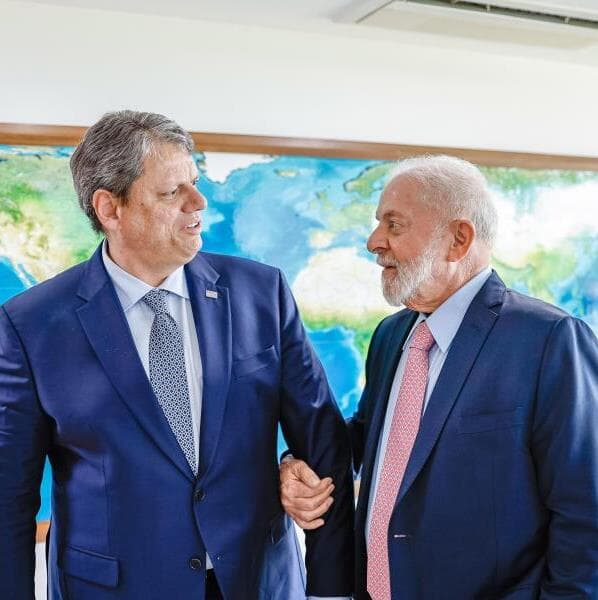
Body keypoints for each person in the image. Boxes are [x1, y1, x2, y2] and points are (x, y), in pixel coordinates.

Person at [0, 110, 354, 599]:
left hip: (256, 581)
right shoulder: (32, 323)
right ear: (110, 208)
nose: (198, 202)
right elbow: (9, 495)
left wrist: (330, 588)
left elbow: (321, 438)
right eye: (172, 192)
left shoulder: (261, 292)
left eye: (195, 183)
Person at [280, 155, 598, 599]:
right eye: (378, 224)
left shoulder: (550, 339)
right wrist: (295, 466)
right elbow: (372, 440)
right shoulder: (391, 335)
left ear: (458, 239)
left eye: (394, 225)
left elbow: (586, 509)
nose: (374, 241)